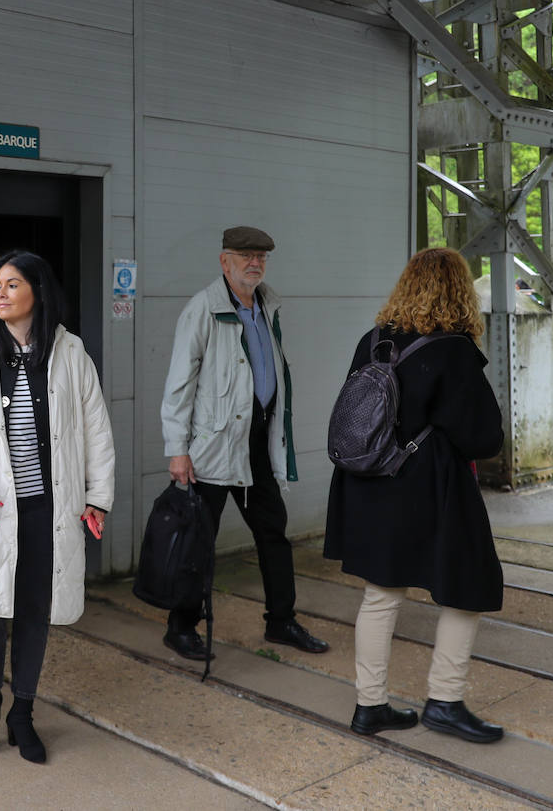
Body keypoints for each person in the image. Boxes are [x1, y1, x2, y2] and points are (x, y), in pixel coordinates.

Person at [0, 250, 114, 764]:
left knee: (35, 610)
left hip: (48, 509)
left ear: (38, 290)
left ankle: (23, 712)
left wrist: (98, 496)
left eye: (11, 284)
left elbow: (96, 430)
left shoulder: (70, 351)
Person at [325, 248, 505, 743]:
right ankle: (445, 702)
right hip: (429, 487)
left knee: (381, 594)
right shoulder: (454, 351)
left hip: (367, 484)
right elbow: (484, 438)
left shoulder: (374, 339)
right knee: (469, 585)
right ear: (460, 292)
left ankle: (370, 706)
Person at [159, 226, 328, 661]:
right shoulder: (204, 309)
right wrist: (177, 447)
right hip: (214, 447)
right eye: (245, 255)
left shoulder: (267, 305)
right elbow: (180, 383)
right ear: (224, 261)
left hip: (255, 442)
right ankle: (180, 627)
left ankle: (281, 621)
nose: (255, 263)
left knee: (273, 533)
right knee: (200, 540)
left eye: (261, 257)